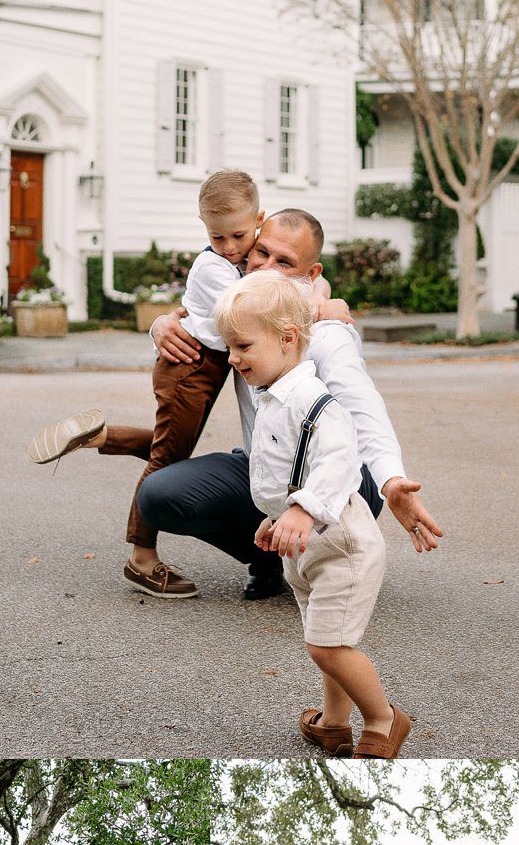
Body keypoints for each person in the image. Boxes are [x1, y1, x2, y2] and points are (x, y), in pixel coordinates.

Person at [25, 170, 349, 601]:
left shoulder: (244, 261)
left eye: (239, 236)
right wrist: (322, 298)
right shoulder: (217, 267)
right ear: (204, 229)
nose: (233, 247)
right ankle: (141, 559)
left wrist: (317, 287)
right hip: (189, 366)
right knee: (168, 459)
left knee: (172, 450)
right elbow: (256, 308)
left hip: (210, 364)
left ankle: (102, 436)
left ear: (258, 219)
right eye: (219, 238)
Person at [137, 210, 444, 624]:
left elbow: (361, 407)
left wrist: (392, 481)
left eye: (284, 262)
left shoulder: (326, 332)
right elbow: (197, 313)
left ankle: (326, 555)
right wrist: (160, 324)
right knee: (159, 496)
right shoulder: (240, 310)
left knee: (354, 479)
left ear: (309, 273)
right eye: (261, 253)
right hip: (267, 466)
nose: (265, 267)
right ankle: (271, 559)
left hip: (336, 476)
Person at [215, 270, 411, 759]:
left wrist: (302, 510)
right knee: (325, 637)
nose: (232, 358)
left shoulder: (314, 400)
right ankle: (333, 723)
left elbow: (339, 460)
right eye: (229, 348)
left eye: (241, 346)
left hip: (340, 540)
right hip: (305, 544)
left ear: (287, 339)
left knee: (327, 646)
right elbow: (287, 468)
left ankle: (385, 718)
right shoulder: (273, 396)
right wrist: (277, 515)